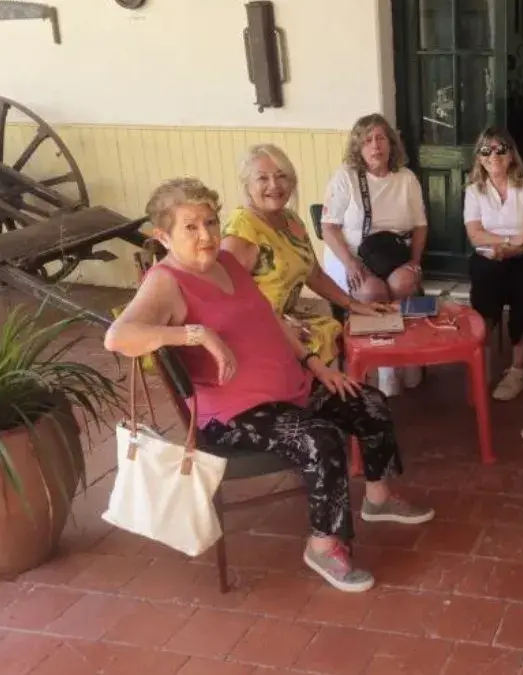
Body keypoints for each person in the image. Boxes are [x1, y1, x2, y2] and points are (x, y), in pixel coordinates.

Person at [105, 178, 434, 594]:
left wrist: (316, 365)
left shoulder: (227, 263)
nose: (206, 235)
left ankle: (379, 497)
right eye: (190, 227)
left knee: (368, 402)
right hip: (233, 414)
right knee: (321, 439)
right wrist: (196, 334)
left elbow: (270, 319)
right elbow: (117, 337)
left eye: (210, 222)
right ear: (163, 236)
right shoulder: (166, 281)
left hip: (289, 389)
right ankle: (323, 545)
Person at [221, 144, 390, 367]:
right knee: (321, 341)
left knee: (338, 329)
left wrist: (355, 305)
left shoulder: (291, 220)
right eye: (262, 178)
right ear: (247, 185)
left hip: (287, 317)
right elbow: (226, 298)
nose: (274, 185)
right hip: (256, 328)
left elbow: (315, 275)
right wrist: (277, 327)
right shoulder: (242, 229)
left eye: (281, 176)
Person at [319, 113, 428, 395]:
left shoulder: (406, 179)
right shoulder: (345, 178)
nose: (375, 145)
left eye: (380, 138)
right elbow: (328, 228)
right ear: (358, 147)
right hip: (351, 255)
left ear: (391, 143)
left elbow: (420, 226)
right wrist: (350, 263)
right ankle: (383, 365)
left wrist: (415, 262)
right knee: (372, 291)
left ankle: (408, 355)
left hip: (392, 255)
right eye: (367, 140)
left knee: (404, 283)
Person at [464, 126, 523, 401]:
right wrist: (511, 239)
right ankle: (480, 359)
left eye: (500, 149)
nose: (493, 156)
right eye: (486, 150)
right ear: (479, 157)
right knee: (484, 276)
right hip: (493, 255)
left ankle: (518, 369)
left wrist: (508, 249)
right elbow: (475, 235)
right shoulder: (474, 190)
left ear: (511, 154)